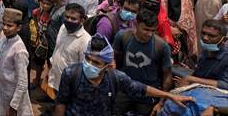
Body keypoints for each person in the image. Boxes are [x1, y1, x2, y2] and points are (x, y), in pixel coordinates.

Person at [53, 34, 193, 116]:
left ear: (107, 66)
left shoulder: (116, 78)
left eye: (96, 62)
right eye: (88, 59)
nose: (89, 64)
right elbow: (61, 102)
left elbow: (140, 88)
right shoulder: (71, 73)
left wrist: (168, 95)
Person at [112, 10, 173, 115]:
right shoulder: (123, 36)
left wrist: (161, 102)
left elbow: (167, 75)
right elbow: (113, 60)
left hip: (148, 94)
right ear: (136, 24)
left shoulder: (161, 46)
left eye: (152, 30)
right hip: (125, 90)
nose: (149, 34)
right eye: (146, 29)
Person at [46, 3, 91, 98]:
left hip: (70, 84)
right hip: (56, 75)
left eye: (73, 19)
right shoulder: (63, 28)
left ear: (82, 20)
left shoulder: (85, 40)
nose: (69, 20)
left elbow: (84, 67)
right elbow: (57, 49)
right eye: (67, 17)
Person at [0, 8, 33, 116]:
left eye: (10, 26)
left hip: (13, 94)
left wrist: (14, 105)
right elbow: (0, 59)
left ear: (18, 28)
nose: (5, 28)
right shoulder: (3, 38)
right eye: (4, 24)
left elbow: (22, 82)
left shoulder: (19, 50)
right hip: (1, 89)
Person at [175, 19, 228, 89]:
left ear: (224, 40)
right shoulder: (205, 52)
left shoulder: (226, 58)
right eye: (203, 33)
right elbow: (198, 75)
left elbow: (225, 85)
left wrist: (191, 79)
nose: (205, 38)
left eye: (211, 36)